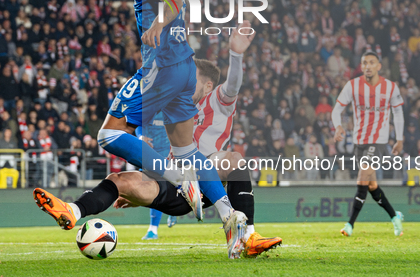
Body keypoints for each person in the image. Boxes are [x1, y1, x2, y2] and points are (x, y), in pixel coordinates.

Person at [34, 22, 282, 258]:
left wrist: (236, 54)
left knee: (233, 159)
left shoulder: (218, 99)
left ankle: (248, 237)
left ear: (207, 85)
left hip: (207, 178)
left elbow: (233, 86)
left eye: (190, 78)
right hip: (174, 185)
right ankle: (73, 210)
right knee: (119, 181)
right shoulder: (176, 101)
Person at [96, 0, 247, 255]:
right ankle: (229, 216)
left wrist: (159, 25)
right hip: (184, 67)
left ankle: (180, 180)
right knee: (188, 150)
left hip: (161, 66)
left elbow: (174, 0)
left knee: (109, 134)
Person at [332, 51, 405, 237]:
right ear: (361, 66)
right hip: (359, 143)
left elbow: (398, 113)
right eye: (365, 63)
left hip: (378, 142)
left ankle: (350, 224)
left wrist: (400, 139)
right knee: (371, 186)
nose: (368, 66)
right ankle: (395, 216)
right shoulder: (353, 86)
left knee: (362, 177)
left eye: (372, 62)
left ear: (379, 66)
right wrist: (338, 126)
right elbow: (337, 109)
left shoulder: (390, 87)